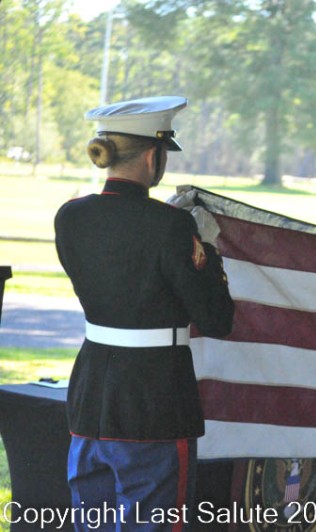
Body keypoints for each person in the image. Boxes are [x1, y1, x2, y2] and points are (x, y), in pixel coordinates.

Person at [54, 96, 235, 531]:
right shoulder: (171, 225)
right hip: (154, 400)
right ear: (153, 156)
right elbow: (216, 319)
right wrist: (208, 250)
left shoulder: (70, 216)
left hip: (91, 398)